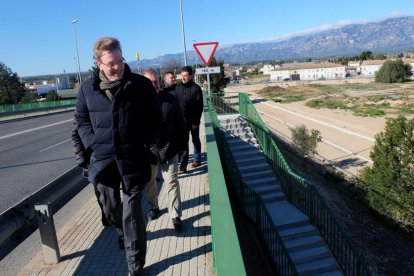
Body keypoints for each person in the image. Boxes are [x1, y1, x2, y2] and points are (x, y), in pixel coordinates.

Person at [74, 37, 161, 276]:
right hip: (103, 161)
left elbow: (155, 116)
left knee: (132, 213)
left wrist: (147, 141)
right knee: (111, 209)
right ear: (99, 64)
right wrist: (93, 143)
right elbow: (80, 121)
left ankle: (135, 265)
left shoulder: (140, 85)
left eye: (120, 60)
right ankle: (119, 230)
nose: (118, 66)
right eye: (112, 63)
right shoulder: (86, 89)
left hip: (133, 157)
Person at [143, 69, 187, 230]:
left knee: (172, 182)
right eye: (149, 82)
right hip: (148, 151)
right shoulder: (138, 103)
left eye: (155, 81)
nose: (153, 85)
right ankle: (154, 207)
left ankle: (175, 215)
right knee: (150, 181)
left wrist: (183, 146)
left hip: (170, 148)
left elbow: (180, 123)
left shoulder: (170, 99)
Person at [71, 117, 109, 227]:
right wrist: (80, 158)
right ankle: (105, 214)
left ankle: (114, 215)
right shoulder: (81, 109)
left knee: (112, 194)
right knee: (99, 191)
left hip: (108, 156)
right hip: (91, 161)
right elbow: (75, 136)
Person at [174, 66, 203, 173]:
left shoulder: (196, 89)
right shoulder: (178, 88)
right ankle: (184, 164)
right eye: (182, 76)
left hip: (194, 120)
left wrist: (196, 122)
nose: (183, 78)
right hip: (182, 121)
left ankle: (197, 159)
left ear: (191, 76)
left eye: (186, 76)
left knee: (195, 140)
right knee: (184, 143)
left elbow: (200, 106)